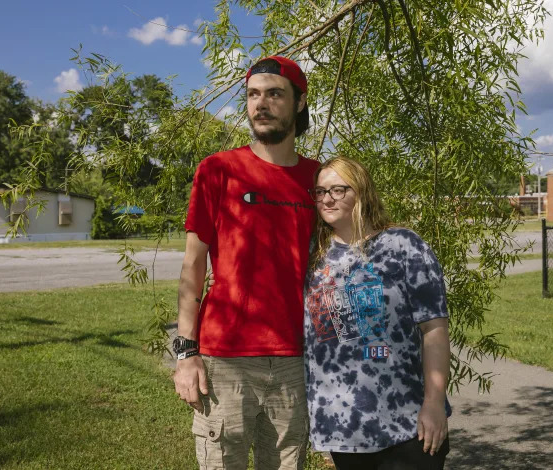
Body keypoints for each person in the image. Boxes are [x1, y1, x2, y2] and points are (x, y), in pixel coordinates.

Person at [173, 56, 320, 469]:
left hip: (295, 359)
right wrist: (186, 354)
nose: (261, 104)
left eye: (274, 93)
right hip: (225, 360)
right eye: (254, 95)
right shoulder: (218, 170)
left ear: (300, 101)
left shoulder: (318, 179)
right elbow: (193, 267)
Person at [304, 157, 451, 470]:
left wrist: (434, 403)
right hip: (345, 428)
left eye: (338, 189)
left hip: (408, 424)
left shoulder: (403, 246)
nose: (327, 198)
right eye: (320, 191)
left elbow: (434, 328)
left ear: (362, 192)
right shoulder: (311, 257)